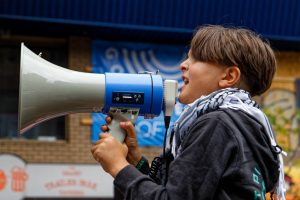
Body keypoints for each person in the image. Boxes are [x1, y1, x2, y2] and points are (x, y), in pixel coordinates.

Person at [91, 25, 286, 200]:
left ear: (229, 76)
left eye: (195, 58)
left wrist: (118, 166)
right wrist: (136, 163)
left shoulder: (217, 124)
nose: (183, 65)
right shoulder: (245, 127)